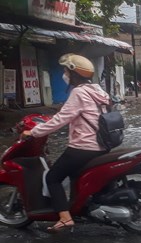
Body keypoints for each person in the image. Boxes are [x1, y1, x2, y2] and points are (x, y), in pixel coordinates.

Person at [21, 53, 110, 233]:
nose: (64, 75)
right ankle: (79, 206)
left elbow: (61, 119)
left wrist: (34, 131)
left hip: (83, 147)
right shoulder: (98, 91)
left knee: (52, 177)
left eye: (65, 71)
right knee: (75, 174)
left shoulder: (78, 92)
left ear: (73, 73)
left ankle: (64, 217)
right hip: (101, 146)